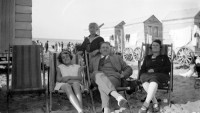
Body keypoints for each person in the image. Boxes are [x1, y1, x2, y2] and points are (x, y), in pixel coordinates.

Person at [89, 42, 133, 113]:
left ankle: (106, 109)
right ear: (99, 50)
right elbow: (90, 72)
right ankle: (118, 97)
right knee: (96, 74)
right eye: (103, 47)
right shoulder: (93, 59)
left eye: (107, 47)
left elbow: (129, 69)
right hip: (97, 78)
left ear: (110, 49)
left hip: (113, 78)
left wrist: (123, 75)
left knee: (102, 85)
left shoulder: (117, 57)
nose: (105, 49)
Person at [139, 40, 171, 113]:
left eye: (157, 45)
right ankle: (155, 102)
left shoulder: (164, 57)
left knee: (154, 78)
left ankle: (145, 104)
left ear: (160, 47)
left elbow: (168, 68)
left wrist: (155, 70)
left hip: (161, 76)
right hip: (147, 76)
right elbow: (143, 68)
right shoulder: (147, 57)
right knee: (144, 78)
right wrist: (141, 75)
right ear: (151, 47)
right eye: (153, 45)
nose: (155, 46)